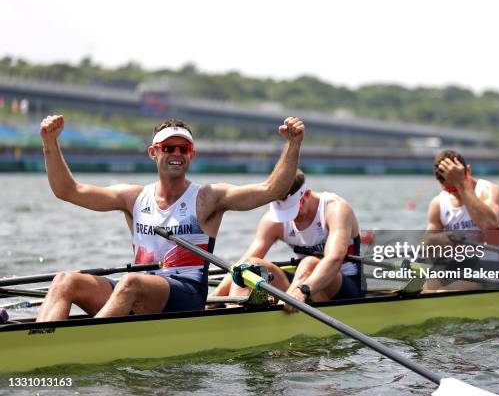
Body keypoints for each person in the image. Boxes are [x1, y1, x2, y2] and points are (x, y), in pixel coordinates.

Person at [36, 115, 304, 322]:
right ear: (154, 152)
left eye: (183, 148)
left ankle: (85, 345)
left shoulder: (209, 198)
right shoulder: (133, 198)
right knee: (65, 280)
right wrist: (50, 143)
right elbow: (68, 191)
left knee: (130, 282)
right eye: (169, 147)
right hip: (140, 291)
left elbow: (272, 190)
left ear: (191, 154)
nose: (176, 153)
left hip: (185, 294)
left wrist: (293, 144)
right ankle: (39, 342)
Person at [209, 169, 363, 311]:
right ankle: (232, 312)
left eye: (292, 210)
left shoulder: (336, 210)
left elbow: (335, 258)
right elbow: (242, 263)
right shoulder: (272, 220)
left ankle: (287, 303)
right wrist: (213, 299)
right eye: (284, 212)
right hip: (301, 281)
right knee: (250, 266)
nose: (290, 218)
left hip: (344, 287)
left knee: (309, 262)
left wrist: (302, 290)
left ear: (307, 195)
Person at [423, 150, 499, 291]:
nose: (456, 192)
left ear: (467, 171)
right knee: (427, 287)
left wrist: (462, 185)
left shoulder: (489, 191)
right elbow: (426, 244)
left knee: (442, 293)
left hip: (488, 266)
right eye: (451, 188)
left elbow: (490, 224)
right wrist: (439, 238)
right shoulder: (438, 203)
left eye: (458, 183)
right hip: (456, 264)